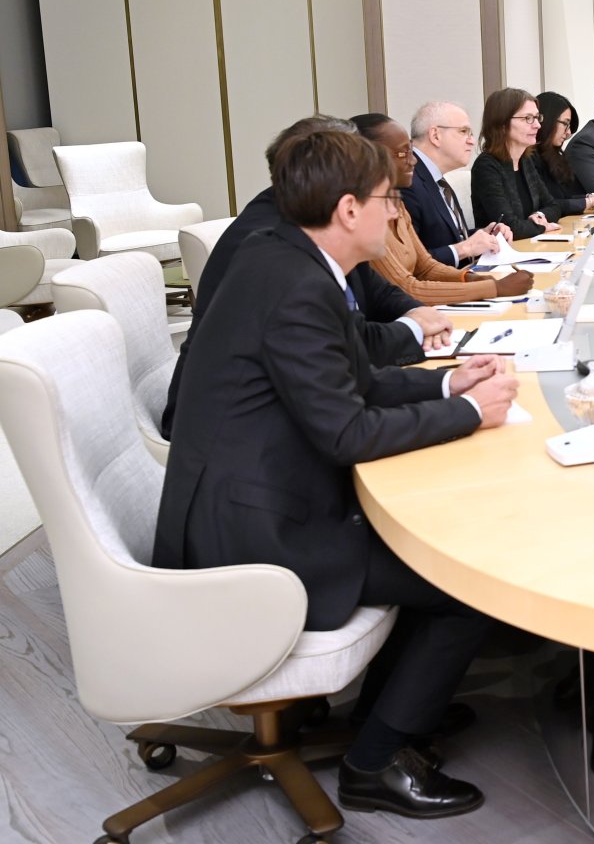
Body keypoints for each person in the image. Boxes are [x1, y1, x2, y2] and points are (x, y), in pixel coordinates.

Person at [155, 128, 520, 817]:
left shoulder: (290, 260)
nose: (396, 212)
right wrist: (472, 413)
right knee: (468, 581)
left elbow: (355, 377)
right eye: (387, 200)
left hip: (257, 496)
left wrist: (449, 386)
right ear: (349, 209)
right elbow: (346, 431)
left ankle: (391, 713)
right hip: (257, 535)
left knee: (436, 548)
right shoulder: (294, 282)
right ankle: (375, 760)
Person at [159, 115, 454, 440]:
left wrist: (421, 320)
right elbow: (347, 405)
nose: (392, 210)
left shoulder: (312, 227)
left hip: (281, 408)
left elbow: (370, 297)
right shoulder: (281, 256)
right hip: (237, 432)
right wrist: (419, 334)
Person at [355, 113, 534, 305]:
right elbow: (405, 288)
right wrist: (494, 288)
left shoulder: (395, 203)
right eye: (403, 153)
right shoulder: (364, 215)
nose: (413, 160)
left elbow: (426, 267)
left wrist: (472, 279)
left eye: (411, 151)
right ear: (371, 158)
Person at [401, 100, 513, 268]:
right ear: (435, 136)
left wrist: (482, 236)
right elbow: (408, 263)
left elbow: (446, 238)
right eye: (463, 131)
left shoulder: (436, 178)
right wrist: (465, 248)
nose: (472, 141)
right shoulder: (407, 181)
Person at [470, 88, 571, 239]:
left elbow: (554, 206)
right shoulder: (486, 166)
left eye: (537, 117)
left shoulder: (525, 160)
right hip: (503, 250)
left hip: (530, 245)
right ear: (502, 123)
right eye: (528, 118)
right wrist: (542, 226)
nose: (537, 125)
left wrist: (539, 215)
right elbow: (510, 227)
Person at [533, 91, 594, 216]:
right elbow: (547, 204)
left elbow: (566, 196)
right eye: (565, 124)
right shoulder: (528, 159)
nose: (568, 132)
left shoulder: (556, 158)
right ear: (548, 120)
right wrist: (591, 201)